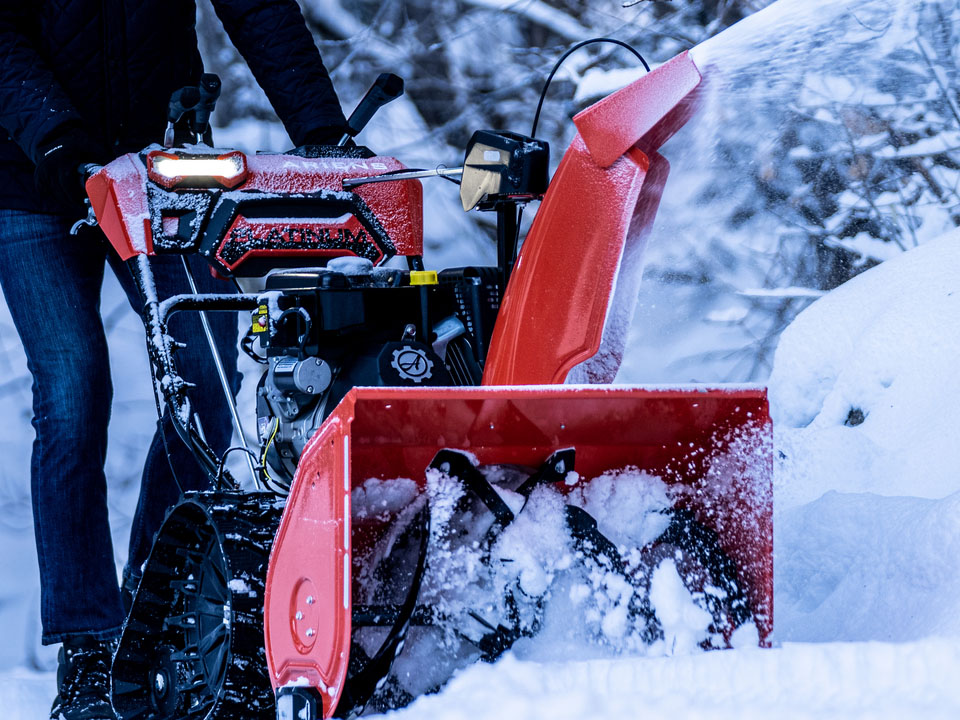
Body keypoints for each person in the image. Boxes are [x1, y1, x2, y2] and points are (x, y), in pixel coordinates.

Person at [0, 3, 348, 719]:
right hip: (28, 176)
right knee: (72, 394)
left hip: (162, 169)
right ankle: (91, 651)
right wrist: (55, 135)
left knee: (211, 382)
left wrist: (321, 127)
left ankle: (148, 616)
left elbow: (259, 10)